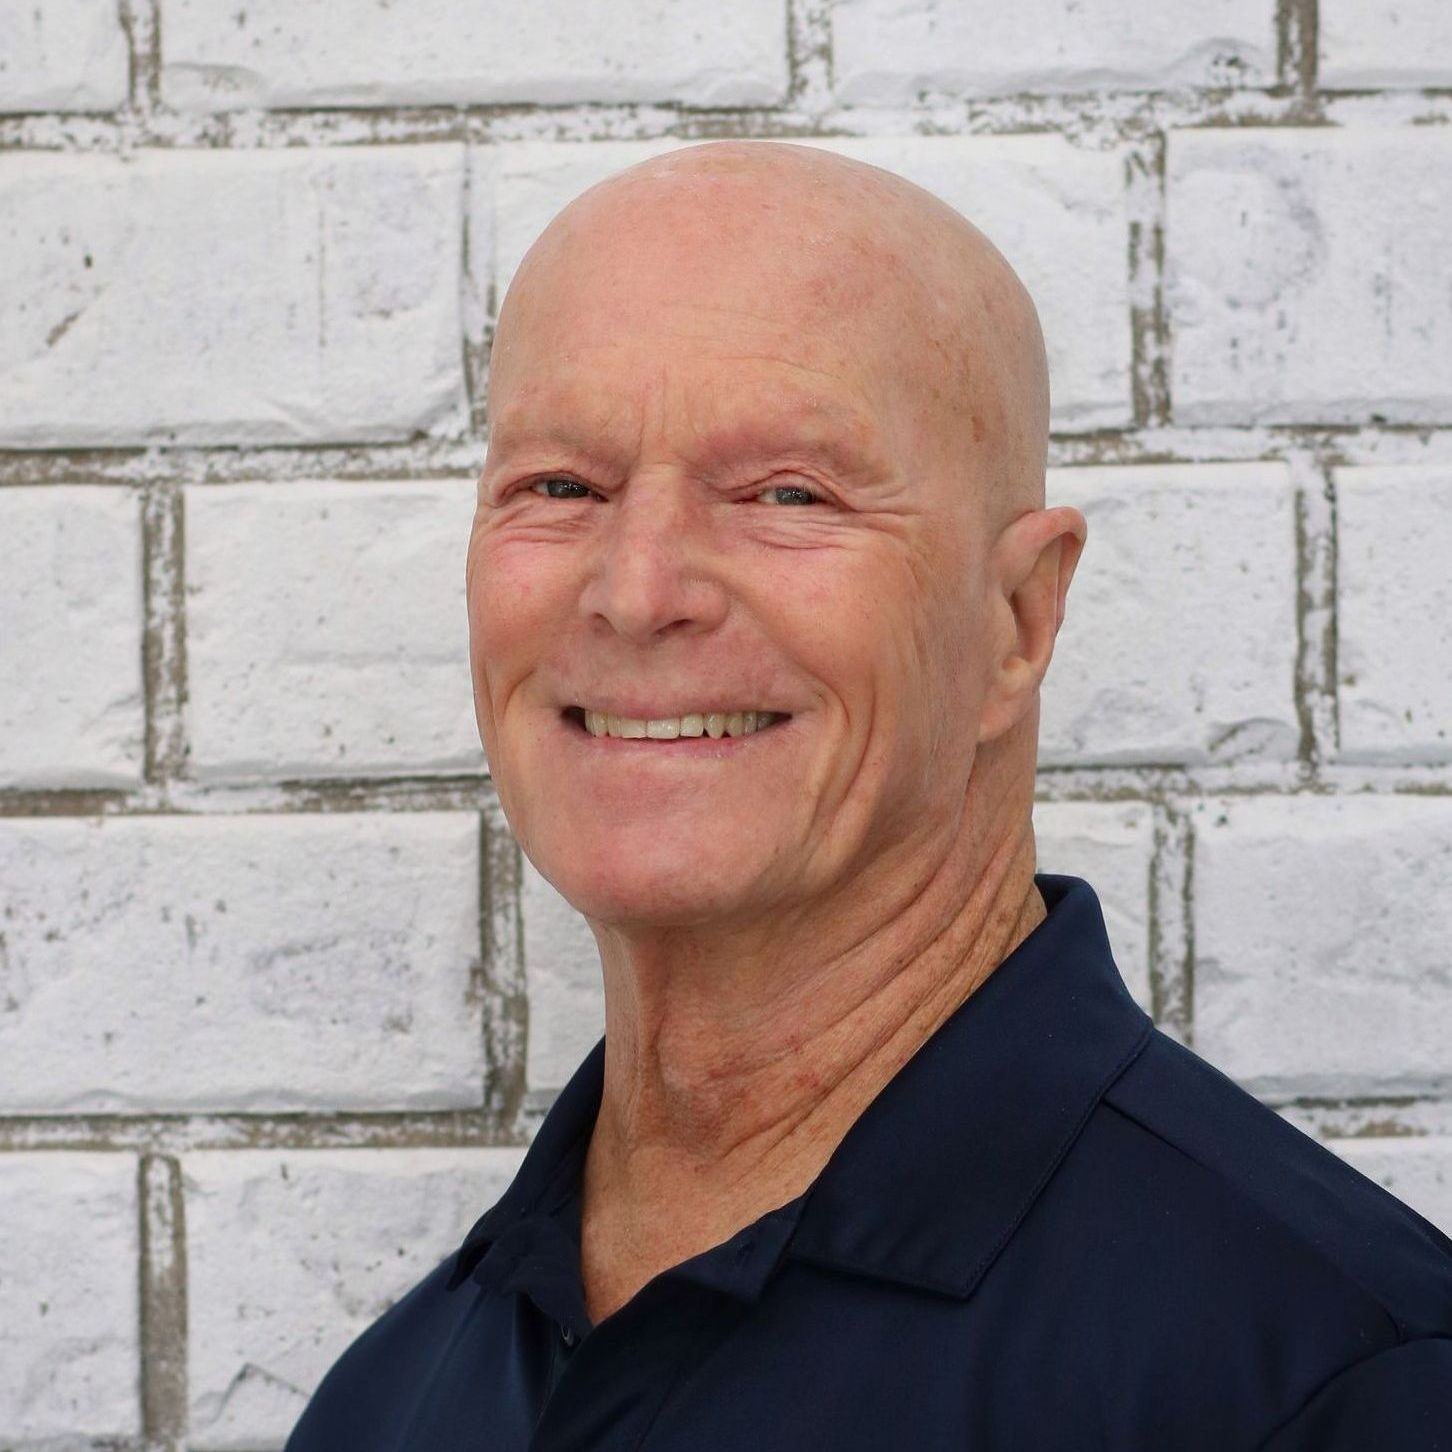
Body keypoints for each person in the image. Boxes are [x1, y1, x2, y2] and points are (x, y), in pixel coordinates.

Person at [285, 140, 1452, 1450]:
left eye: (789, 492)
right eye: (562, 487)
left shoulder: (1329, 1384)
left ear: (1018, 619)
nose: (637, 587)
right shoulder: (395, 1400)